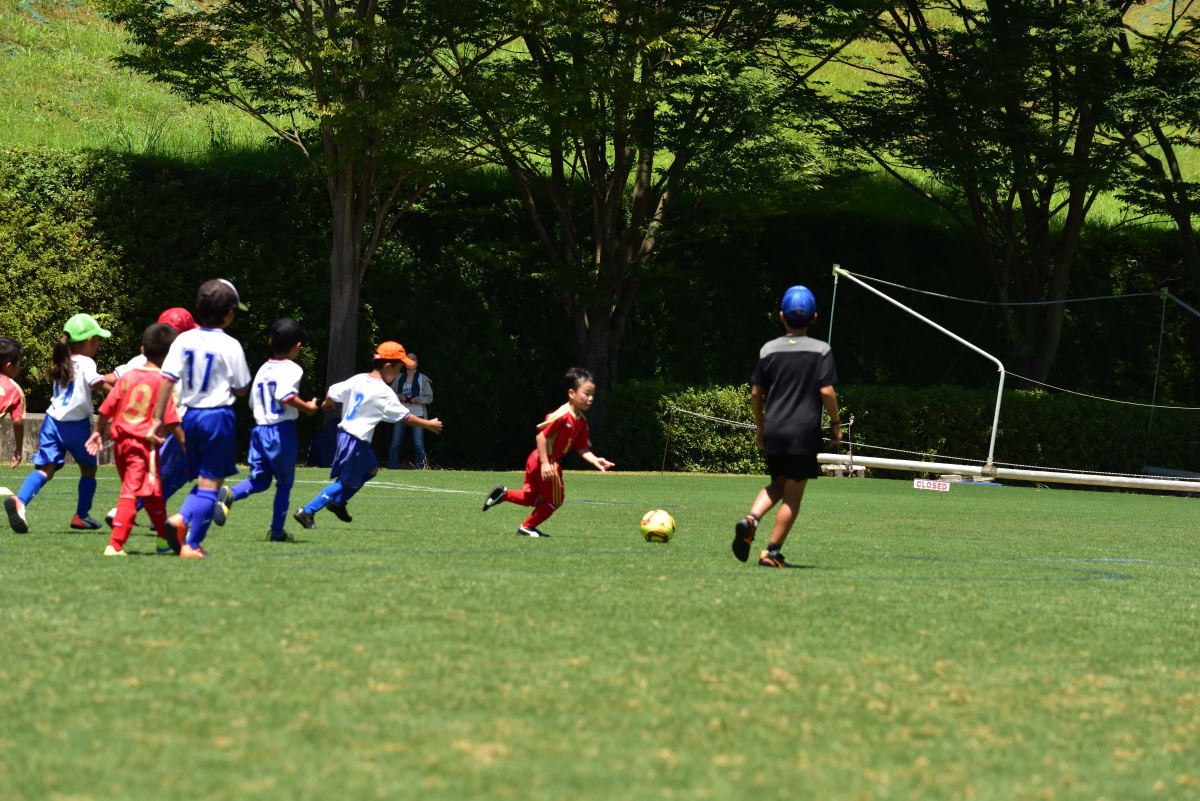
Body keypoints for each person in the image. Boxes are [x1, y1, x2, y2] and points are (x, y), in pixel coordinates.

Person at [731, 285, 842, 568]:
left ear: (781, 315)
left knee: (777, 484)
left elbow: (756, 393)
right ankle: (771, 552)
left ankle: (752, 518)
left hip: (776, 430)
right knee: (793, 494)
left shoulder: (768, 350)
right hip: (803, 432)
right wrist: (835, 424)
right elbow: (827, 392)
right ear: (814, 317)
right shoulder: (821, 350)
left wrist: (760, 426)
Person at [293, 341, 443, 529]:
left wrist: (328, 403)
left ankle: (338, 503)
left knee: (371, 470)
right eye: (399, 368)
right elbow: (405, 417)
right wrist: (428, 424)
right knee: (346, 481)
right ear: (388, 366)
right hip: (355, 440)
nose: (399, 373)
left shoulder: (358, 379)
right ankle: (307, 510)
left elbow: (333, 391)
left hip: (346, 436)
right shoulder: (383, 391)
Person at [152, 279, 252, 558]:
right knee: (212, 483)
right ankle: (187, 534)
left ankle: (185, 530)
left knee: (202, 481)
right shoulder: (230, 345)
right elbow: (242, 387)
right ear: (230, 313)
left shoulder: (183, 339)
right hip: (217, 417)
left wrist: (158, 419)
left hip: (190, 417)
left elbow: (167, 380)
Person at [4, 314, 112, 534]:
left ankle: (20, 501)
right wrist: (121, 393)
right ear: (89, 341)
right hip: (75, 425)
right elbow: (97, 383)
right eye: (97, 340)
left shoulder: (62, 362)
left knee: (46, 469)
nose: (99, 344)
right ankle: (81, 515)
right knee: (89, 469)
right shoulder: (86, 361)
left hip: (51, 421)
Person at [102, 307, 198, 550]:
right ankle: (118, 535)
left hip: (125, 435)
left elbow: (109, 386)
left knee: (156, 484)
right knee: (155, 479)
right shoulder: (176, 367)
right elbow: (170, 412)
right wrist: (183, 439)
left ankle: (163, 535)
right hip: (160, 432)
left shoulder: (136, 364)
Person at [85, 323, 184, 556]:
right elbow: (171, 420)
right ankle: (115, 544)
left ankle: (163, 540)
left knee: (152, 490)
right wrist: (184, 443)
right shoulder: (163, 382)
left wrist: (98, 431)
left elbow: (107, 408)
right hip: (143, 445)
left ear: (142, 349)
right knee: (132, 491)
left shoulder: (128, 377)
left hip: (121, 443)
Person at [481, 367, 615, 537]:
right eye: (586, 393)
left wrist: (596, 460)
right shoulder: (562, 415)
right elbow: (541, 437)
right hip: (546, 461)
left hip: (538, 459)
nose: (590, 399)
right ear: (572, 393)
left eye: (592, 395)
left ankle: (503, 495)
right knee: (556, 500)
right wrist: (545, 463)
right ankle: (527, 527)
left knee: (531, 498)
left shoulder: (581, 421)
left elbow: (582, 448)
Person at [226, 318, 319, 542]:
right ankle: (277, 531)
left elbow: (252, 403)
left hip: (259, 430)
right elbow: (285, 395)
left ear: (270, 341)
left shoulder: (263, 368)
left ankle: (230, 493)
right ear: (297, 346)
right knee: (284, 484)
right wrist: (308, 407)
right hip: (280, 431)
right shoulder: (293, 368)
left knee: (260, 480)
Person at [387, 352, 433, 469]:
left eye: (413, 359)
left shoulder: (423, 379)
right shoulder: (398, 378)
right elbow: (389, 393)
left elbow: (430, 397)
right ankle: (392, 467)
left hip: (418, 415)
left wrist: (420, 399)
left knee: (418, 444)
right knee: (395, 442)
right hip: (401, 414)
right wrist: (399, 396)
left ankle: (421, 467)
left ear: (416, 363)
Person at [0, 337, 26, 470]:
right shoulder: (13, 389)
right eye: (19, 364)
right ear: (9, 366)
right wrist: (19, 449)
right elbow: (18, 422)